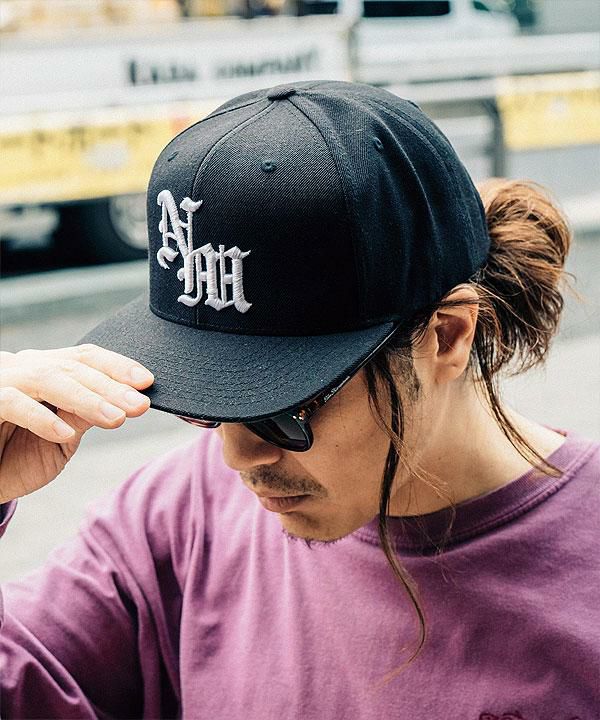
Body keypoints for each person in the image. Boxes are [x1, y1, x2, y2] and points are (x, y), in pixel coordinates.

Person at [0, 81, 598, 718]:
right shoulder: (182, 514)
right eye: (209, 403)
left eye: (285, 407)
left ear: (447, 335)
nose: (236, 457)